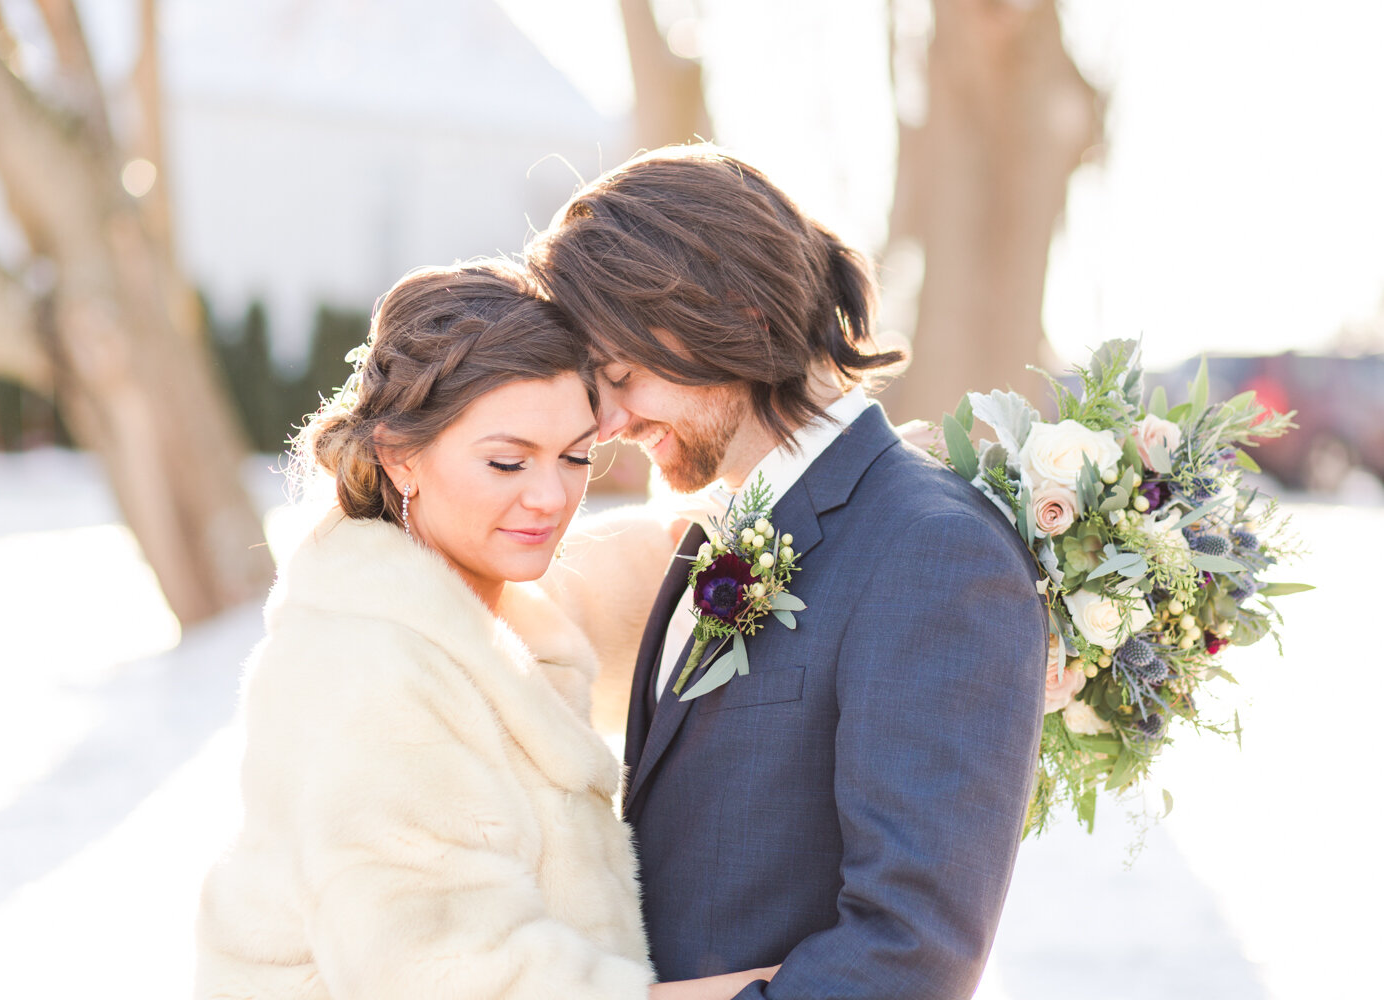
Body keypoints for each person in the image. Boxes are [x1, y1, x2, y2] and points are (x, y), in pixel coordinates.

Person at [526, 145, 1048, 1000]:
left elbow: (910, 956)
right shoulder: (718, 534)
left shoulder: (935, 552)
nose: (610, 420)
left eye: (622, 375)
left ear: (733, 313)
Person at [192, 260, 776, 1000]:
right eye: (507, 462)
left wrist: (845, 486)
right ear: (401, 455)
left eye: (575, 458)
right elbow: (458, 980)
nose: (550, 497)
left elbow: (646, 565)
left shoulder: (484, 598)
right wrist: (798, 987)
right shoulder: (364, 669)